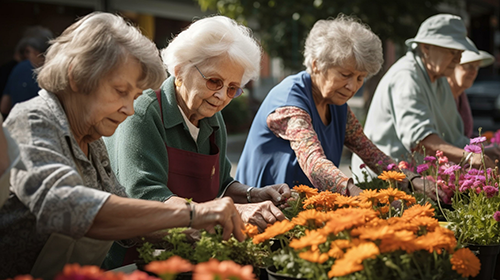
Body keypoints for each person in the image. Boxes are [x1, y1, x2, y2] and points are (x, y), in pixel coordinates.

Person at [0, 13, 246, 279]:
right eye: (120, 91)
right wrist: (191, 213)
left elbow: (130, 217)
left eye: (135, 97)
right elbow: (68, 207)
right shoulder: (33, 120)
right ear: (77, 76)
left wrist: (210, 229)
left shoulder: (92, 142)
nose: (129, 109)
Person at [103, 15, 291, 268]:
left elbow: (222, 184)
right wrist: (234, 212)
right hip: (134, 262)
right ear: (180, 68)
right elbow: (146, 200)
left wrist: (252, 195)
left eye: (233, 88)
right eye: (214, 81)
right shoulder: (144, 112)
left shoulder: (212, 117)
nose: (222, 96)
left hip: (191, 255)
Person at [235, 15, 431, 199]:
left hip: (300, 209)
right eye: (345, 75)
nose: (352, 86)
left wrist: (409, 178)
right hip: (262, 210)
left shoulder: (337, 105)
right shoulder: (289, 104)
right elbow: (314, 163)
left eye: (360, 78)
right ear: (317, 64)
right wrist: (356, 194)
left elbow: (369, 152)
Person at [351, 14, 500, 180]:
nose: (458, 58)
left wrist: (484, 151)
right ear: (425, 48)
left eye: (460, 52)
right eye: (452, 51)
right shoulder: (406, 76)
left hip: (414, 180)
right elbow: (421, 140)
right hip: (382, 181)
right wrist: (470, 157)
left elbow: (453, 138)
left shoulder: (440, 79)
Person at [1, 26, 54, 117]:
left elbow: (4, 107)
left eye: (27, 51)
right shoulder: (56, 71)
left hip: (18, 126)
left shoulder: (20, 69)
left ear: (34, 51)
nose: (25, 55)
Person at [446, 40, 495, 138]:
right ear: (452, 67)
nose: (473, 72)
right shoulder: (442, 96)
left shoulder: (461, 95)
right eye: (468, 66)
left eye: (476, 67)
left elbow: (465, 136)